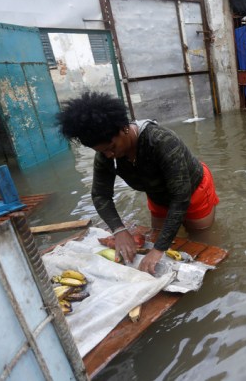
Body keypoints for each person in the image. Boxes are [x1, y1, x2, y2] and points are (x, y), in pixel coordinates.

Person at [56, 91, 219, 274]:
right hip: (157, 193)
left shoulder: (161, 141)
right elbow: (100, 195)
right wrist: (119, 230)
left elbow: (181, 197)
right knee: (159, 237)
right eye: (102, 151)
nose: (108, 155)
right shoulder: (106, 155)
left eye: (111, 148)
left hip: (192, 189)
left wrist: (159, 250)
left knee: (201, 243)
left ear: (124, 128)